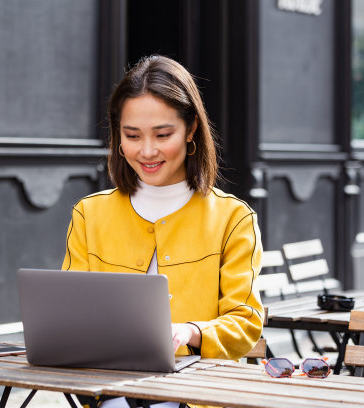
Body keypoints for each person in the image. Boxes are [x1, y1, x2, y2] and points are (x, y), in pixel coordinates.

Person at [61, 55, 263, 406]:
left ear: (191, 130)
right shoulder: (89, 214)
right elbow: (68, 315)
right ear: (117, 136)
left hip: (196, 396)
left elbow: (245, 323)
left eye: (163, 134)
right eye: (132, 135)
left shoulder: (232, 218)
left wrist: (192, 331)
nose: (147, 150)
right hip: (112, 391)